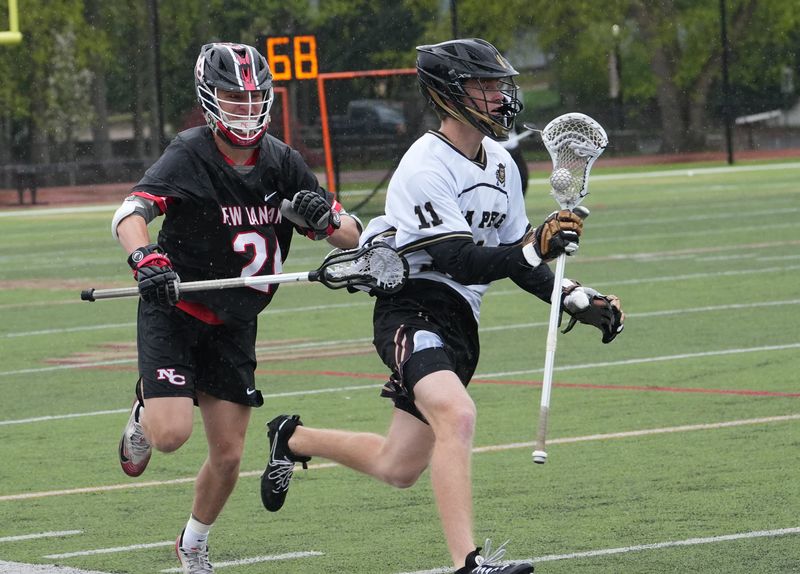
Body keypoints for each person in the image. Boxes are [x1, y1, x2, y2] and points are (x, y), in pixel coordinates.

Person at [260, 38, 624, 574]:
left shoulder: (501, 162)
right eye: (486, 85)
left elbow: (520, 258)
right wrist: (533, 245)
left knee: (398, 465)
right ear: (450, 92)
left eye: (501, 85)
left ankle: (291, 439)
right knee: (457, 415)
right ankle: (466, 564)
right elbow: (459, 258)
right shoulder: (424, 167)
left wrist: (573, 296)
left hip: (461, 323)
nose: (500, 96)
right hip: (412, 309)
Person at [112, 42, 361, 574]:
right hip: (176, 308)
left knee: (228, 456)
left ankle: (193, 542)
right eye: (232, 96)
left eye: (254, 98)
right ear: (209, 98)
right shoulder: (189, 152)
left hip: (235, 320)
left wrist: (323, 218)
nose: (245, 108)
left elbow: (350, 235)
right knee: (171, 435)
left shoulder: (283, 161)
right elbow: (130, 213)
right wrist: (145, 258)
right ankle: (144, 406)